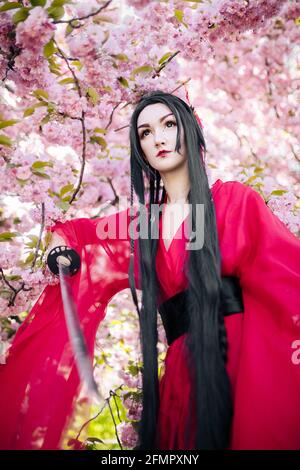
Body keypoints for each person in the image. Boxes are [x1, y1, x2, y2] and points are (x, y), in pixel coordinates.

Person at [0, 90, 299, 450]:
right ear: (139, 150)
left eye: (169, 125)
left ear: (190, 129)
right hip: (180, 371)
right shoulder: (144, 225)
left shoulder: (235, 200)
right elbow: (79, 234)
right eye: (144, 133)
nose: (158, 138)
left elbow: (285, 276)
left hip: (236, 357)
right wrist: (60, 246)